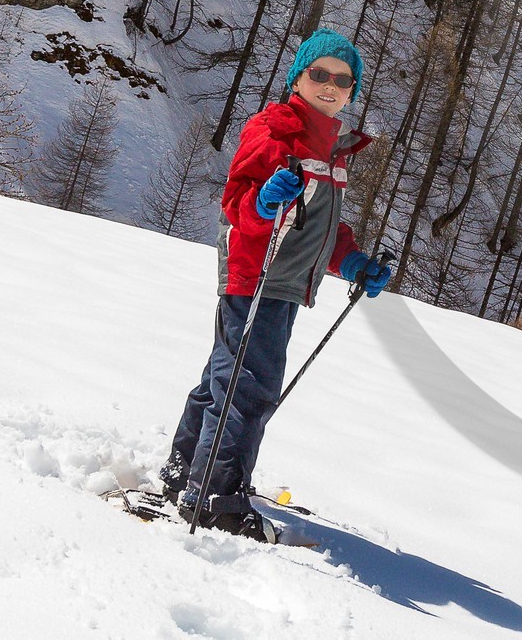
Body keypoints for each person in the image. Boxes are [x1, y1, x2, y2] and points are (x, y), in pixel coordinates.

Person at [159, 28, 393, 541]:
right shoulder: (274, 128)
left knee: (226, 377)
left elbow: (322, 227)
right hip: (256, 272)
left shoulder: (332, 148)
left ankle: (183, 473)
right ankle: (215, 499)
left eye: (343, 79)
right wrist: (264, 203)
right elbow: (237, 205)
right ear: (298, 77)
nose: (330, 86)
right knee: (249, 388)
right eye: (319, 74)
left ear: (353, 90)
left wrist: (352, 262)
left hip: (285, 281)